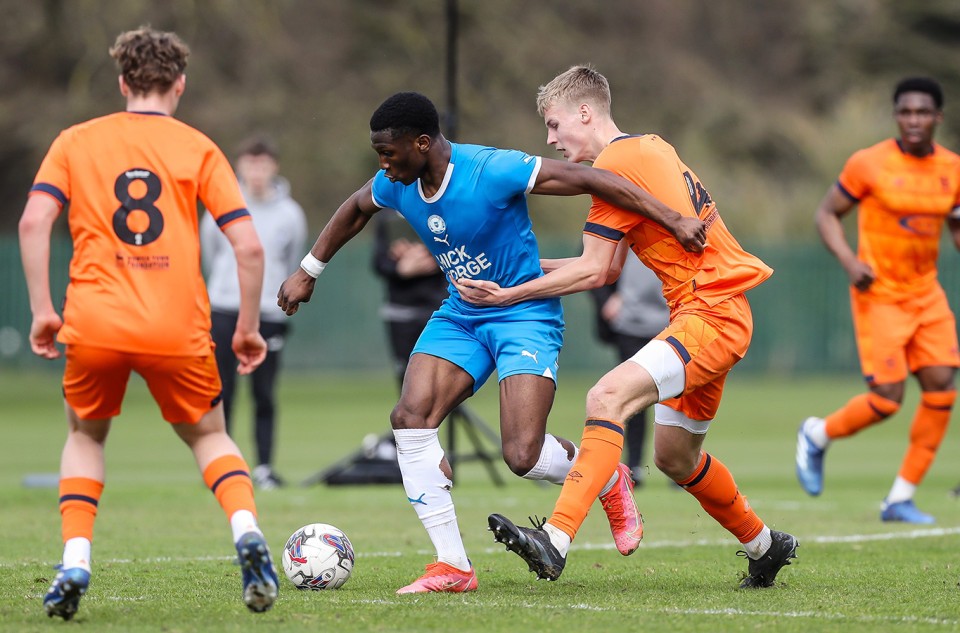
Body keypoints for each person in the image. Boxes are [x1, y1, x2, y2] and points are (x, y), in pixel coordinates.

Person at [277, 91, 707, 594]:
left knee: (522, 455)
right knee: (410, 418)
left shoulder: (491, 170)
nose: (382, 165)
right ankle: (453, 566)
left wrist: (672, 218)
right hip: (461, 315)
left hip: (525, 314)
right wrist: (309, 270)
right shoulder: (397, 184)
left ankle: (607, 476)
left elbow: (594, 179)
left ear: (422, 143)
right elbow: (354, 209)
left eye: (388, 153)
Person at [454, 65, 799, 589]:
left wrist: (507, 295)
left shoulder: (617, 162)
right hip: (710, 314)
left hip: (712, 312)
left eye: (554, 123)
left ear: (585, 113)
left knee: (606, 397)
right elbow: (605, 267)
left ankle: (556, 538)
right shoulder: (638, 153)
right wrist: (510, 272)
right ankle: (765, 544)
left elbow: (593, 271)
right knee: (674, 457)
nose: (549, 138)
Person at [19, 27, 279, 620]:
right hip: (176, 327)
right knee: (210, 436)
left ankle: (76, 558)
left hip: (94, 322)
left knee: (86, 436)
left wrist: (43, 311)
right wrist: (246, 328)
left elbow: (34, 223)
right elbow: (249, 248)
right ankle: (245, 531)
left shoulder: (75, 141)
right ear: (179, 85)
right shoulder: (199, 148)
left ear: (121, 82)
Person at [795, 77, 960, 524]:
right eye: (905, 112)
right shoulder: (869, 163)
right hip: (880, 294)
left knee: (942, 388)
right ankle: (817, 433)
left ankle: (899, 499)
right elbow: (826, 213)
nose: (913, 120)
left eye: (922, 112)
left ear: (937, 117)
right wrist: (849, 261)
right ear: (896, 116)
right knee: (887, 398)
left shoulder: (953, 169)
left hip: (927, 293)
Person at [201, 135, 308, 490]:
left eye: (263, 164)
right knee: (222, 391)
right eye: (250, 164)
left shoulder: (290, 213)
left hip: (268, 313)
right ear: (240, 166)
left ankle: (263, 468)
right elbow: (211, 253)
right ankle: (223, 466)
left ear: (273, 166)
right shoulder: (221, 204)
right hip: (225, 308)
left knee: (264, 393)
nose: (257, 171)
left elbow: (292, 260)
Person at [589, 255, 669, 486]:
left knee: (675, 398)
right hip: (632, 325)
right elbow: (593, 260)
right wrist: (606, 299)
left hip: (673, 322)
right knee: (633, 396)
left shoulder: (682, 226)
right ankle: (634, 466)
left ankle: (679, 466)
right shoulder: (622, 223)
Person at [371, 208, 447, 388]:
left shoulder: (442, 210)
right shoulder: (387, 217)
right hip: (400, 312)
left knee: (443, 377)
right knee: (407, 378)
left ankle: (452, 413)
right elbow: (378, 262)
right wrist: (402, 268)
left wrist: (428, 255)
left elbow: (461, 253)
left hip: (438, 310)